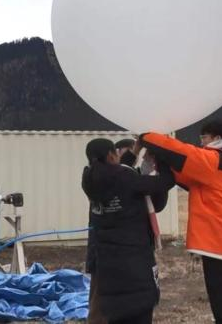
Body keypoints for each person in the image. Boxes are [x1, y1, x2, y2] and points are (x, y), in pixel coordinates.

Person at [139, 120, 222, 324]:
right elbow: (187, 176)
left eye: (204, 137)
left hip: (221, 247)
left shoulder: (215, 160)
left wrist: (146, 137)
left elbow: (183, 153)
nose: (201, 142)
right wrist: (162, 162)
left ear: (217, 138)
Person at [82, 138, 174, 324]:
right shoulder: (126, 179)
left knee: (115, 312)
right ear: (111, 155)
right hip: (133, 260)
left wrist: (135, 152)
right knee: (136, 310)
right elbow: (165, 182)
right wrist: (161, 160)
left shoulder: (91, 178)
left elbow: (118, 172)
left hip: (107, 260)